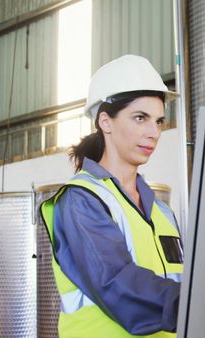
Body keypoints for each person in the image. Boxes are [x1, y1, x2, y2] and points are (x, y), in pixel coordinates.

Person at [40, 54, 183, 337]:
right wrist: (199, 301)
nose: (153, 132)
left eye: (159, 121)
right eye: (140, 118)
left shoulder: (163, 213)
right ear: (105, 122)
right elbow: (116, 284)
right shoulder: (80, 201)